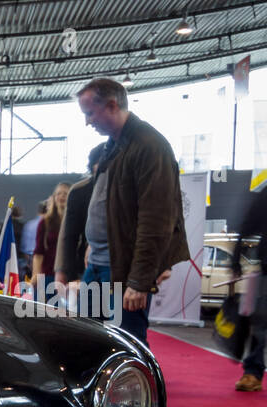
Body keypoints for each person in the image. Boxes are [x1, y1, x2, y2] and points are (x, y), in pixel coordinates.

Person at [75, 76, 190, 344]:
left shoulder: (149, 146)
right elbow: (109, 204)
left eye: (90, 113)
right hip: (99, 264)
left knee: (128, 347)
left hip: (122, 271)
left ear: (112, 105)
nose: (88, 121)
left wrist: (139, 281)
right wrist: (94, 243)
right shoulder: (112, 146)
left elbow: (156, 221)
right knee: (87, 341)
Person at [232, 185, 267, 391]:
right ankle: (253, 372)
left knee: (260, 324)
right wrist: (235, 259)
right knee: (260, 324)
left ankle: (253, 371)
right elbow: (247, 224)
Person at [55, 143, 107, 299]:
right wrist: (62, 270)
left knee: (119, 317)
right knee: (89, 316)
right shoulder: (80, 191)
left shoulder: (126, 188)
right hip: (85, 266)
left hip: (115, 265)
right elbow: (68, 235)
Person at [32, 182, 71, 302]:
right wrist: (36, 275)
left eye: (65, 193)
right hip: (47, 276)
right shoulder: (45, 222)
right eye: (59, 193)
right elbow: (39, 252)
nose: (62, 196)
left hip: (70, 277)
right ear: (54, 197)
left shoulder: (75, 222)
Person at [21, 201, 44, 278]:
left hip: (30, 258)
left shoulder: (29, 224)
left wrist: (28, 262)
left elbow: (24, 246)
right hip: (44, 260)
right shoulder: (49, 225)